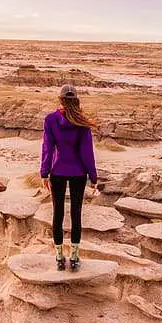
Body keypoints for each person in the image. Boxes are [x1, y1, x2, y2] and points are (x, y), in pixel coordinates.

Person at [40, 84, 99, 271]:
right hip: (78, 173)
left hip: (57, 171)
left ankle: (59, 257)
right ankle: (74, 258)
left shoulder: (51, 120)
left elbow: (47, 148)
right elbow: (87, 152)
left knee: (57, 214)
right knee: (76, 214)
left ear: (60, 100)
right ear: (76, 100)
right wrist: (93, 176)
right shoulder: (81, 122)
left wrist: (44, 172)